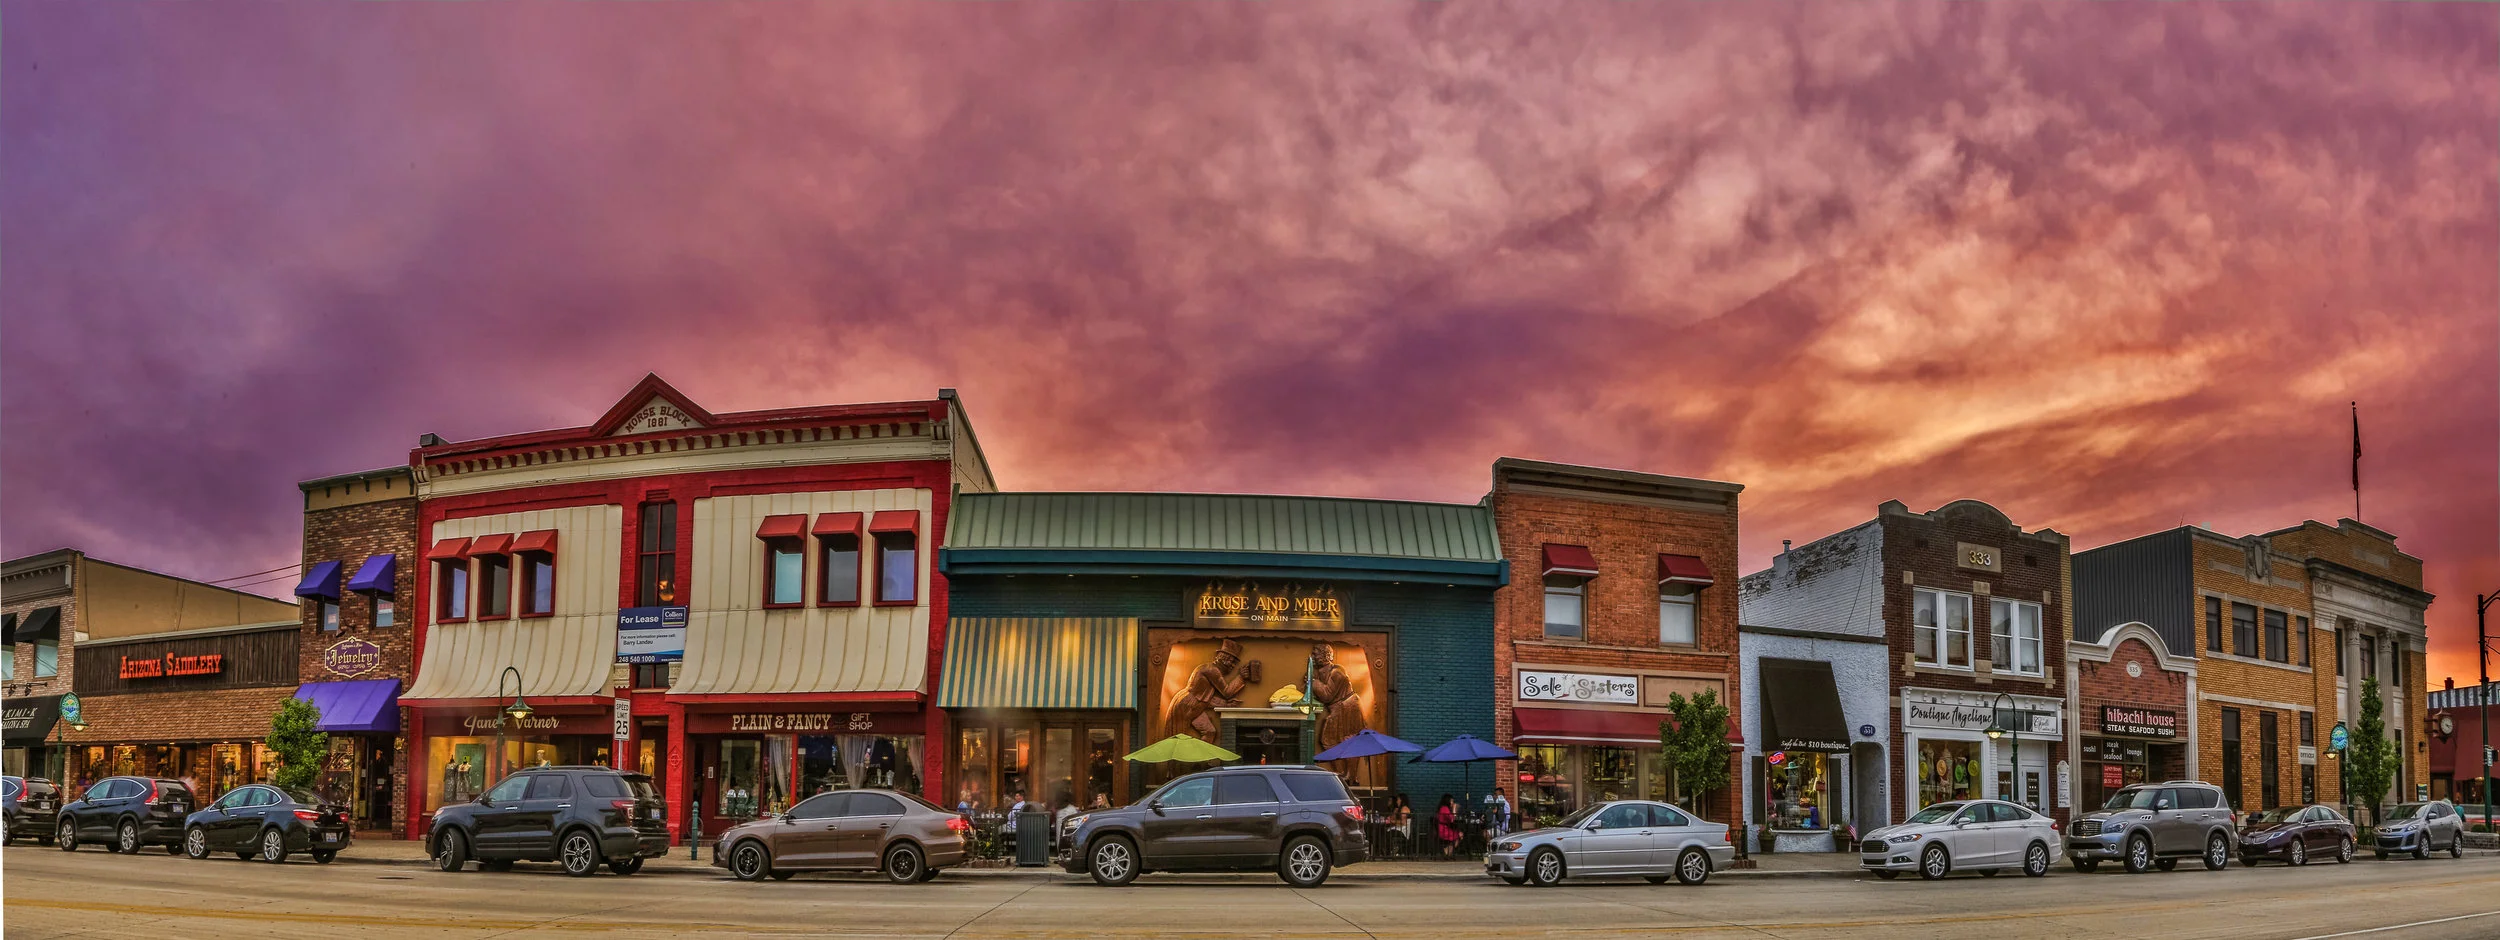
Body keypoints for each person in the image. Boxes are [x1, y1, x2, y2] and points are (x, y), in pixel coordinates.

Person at [1436, 794, 1460, 859]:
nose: (1452, 803)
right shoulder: (1444, 808)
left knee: (1458, 835)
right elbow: (1452, 819)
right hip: (1444, 829)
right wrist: (1454, 809)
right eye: (1452, 801)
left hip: (1445, 828)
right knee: (1458, 835)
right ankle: (1446, 852)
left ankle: (1447, 852)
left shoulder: (1444, 808)